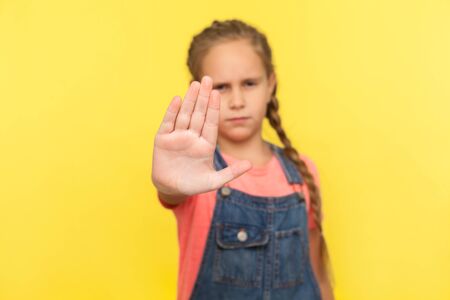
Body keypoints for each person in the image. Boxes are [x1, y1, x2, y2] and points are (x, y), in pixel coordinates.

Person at [152, 19, 334, 300]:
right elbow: (173, 191)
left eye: (249, 83)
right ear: (199, 91)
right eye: (222, 87)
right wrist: (170, 184)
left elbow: (317, 273)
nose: (237, 100)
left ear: (270, 84)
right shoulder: (197, 174)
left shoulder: (301, 171)